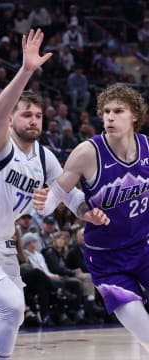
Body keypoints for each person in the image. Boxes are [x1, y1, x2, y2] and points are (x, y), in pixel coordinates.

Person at [0, 29, 108, 360]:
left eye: (38, 115)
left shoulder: (43, 157)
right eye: (25, 114)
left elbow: (70, 195)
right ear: (13, 118)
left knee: (11, 313)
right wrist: (26, 70)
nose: (33, 120)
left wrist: (87, 212)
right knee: (12, 307)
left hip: (1, 242)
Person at [33, 84, 149, 352]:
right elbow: (55, 198)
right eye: (106, 111)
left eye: (118, 111)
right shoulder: (88, 152)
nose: (109, 117)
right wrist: (44, 202)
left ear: (134, 116)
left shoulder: (147, 148)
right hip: (108, 260)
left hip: (143, 247)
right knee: (144, 333)